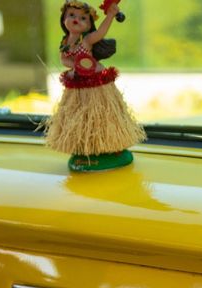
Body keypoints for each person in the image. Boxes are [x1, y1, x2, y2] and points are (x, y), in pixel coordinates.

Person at [45, 1, 145, 171]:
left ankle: (111, 144)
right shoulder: (65, 42)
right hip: (78, 84)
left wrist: (111, 15)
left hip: (97, 83)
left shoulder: (88, 39)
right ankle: (86, 145)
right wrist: (74, 64)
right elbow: (64, 59)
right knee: (80, 114)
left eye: (83, 18)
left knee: (103, 114)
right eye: (71, 15)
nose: (76, 20)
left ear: (89, 24)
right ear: (63, 19)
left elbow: (101, 32)